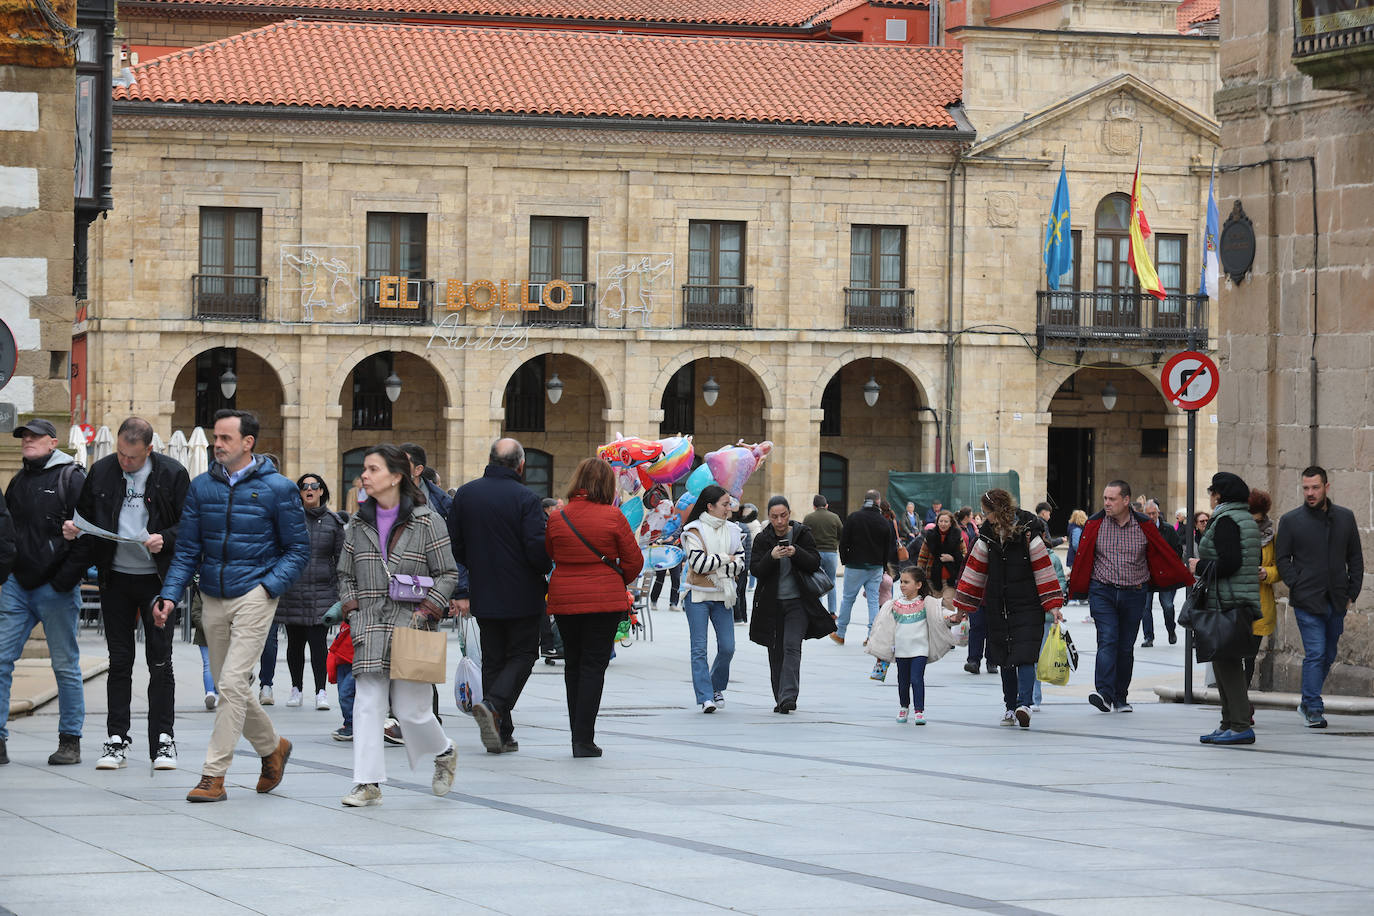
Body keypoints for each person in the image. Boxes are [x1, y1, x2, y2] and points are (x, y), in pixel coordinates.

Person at [154, 409, 309, 803]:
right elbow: (188, 548)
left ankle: (213, 775)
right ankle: (273, 747)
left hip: (253, 595)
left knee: (232, 684)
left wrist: (268, 588)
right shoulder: (202, 487)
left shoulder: (279, 488)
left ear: (247, 443)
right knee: (232, 686)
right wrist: (170, 594)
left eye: (224, 438)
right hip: (212, 594)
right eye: (214, 438)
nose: (216, 444)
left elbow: (297, 549)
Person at [335, 444, 458, 807]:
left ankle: (445, 751)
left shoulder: (427, 521)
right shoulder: (357, 523)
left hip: (411, 623)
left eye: (373, 469)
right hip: (369, 622)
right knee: (368, 703)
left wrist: (426, 611)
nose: (365, 476)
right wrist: (353, 609)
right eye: (364, 469)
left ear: (396, 476)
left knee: (411, 712)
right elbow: (344, 574)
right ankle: (367, 782)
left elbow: (448, 573)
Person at [63, 416, 189, 771]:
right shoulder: (102, 471)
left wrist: (167, 538)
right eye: (120, 454)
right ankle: (116, 737)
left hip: (157, 579)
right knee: (119, 662)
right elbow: (86, 518)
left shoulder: (173, 473)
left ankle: (163, 740)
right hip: (115, 578)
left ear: (149, 450)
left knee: (160, 661)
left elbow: (192, 525)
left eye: (132, 457)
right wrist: (75, 531)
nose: (125, 462)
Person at [448, 438, 551, 754]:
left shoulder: (465, 494)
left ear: (491, 460)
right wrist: (544, 567)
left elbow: (456, 544)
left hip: (485, 590)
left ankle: (502, 732)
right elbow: (536, 548)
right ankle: (493, 705)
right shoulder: (526, 498)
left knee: (493, 658)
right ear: (520, 465)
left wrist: (477, 569)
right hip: (522, 592)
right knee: (523, 654)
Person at [544, 458, 644, 756]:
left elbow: (551, 552)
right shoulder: (613, 517)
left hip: (564, 599)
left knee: (573, 664)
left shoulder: (558, 518)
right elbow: (634, 561)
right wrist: (614, 578)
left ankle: (577, 733)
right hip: (604, 601)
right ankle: (583, 739)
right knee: (593, 667)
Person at [1067, 479, 1191, 714]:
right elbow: (1083, 556)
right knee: (1108, 638)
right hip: (1102, 590)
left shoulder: (1144, 525)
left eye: (1112, 499)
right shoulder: (1095, 523)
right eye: (1105, 498)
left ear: (1126, 500)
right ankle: (1104, 693)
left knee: (1125, 646)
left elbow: (1160, 554)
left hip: (1134, 593)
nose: (1107, 503)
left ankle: (1120, 696)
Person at [0, 419, 83, 766]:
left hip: (56, 587)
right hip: (17, 586)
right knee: (1, 660)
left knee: (64, 665)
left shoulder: (72, 477)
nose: (27, 441)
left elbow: (88, 536)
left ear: (53, 443)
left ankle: (70, 739)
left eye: (35, 437)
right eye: (23, 437)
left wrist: (64, 580)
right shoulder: (18, 482)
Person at [951, 489, 1064, 729]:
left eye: (986, 512)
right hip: (998, 604)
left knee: (1024, 654)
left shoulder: (1027, 531)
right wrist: (962, 607)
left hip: (1027, 604)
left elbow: (1044, 569)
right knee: (1005, 657)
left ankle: (1023, 704)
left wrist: (1053, 605)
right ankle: (1010, 706)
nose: (984, 516)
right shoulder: (987, 536)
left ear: (996, 511)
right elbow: (974, 572)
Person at [1275, 465, 1363, 729]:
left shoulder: (1345, 518)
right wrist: (1296, 583)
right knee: (1315, 652)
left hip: (1337, 599)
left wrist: (1352, 592)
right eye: (1305, 488)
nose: (1310, 493)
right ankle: (1313, 706)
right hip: (1306, 600)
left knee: (1328, 654)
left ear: (1326, 487)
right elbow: (1282, 558)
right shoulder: (1291, 521)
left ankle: (1306, 702)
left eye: (1315, 487)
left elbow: (1355, 558)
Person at [1192, 472, 1263, 746]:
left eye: (1212, 493)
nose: (1210, 498)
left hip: (1228, 602)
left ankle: (1240, 725)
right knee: (1222, 662)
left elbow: (1230, 563)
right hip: (1235, 600)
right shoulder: (1243, 518)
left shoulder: (1227, 520)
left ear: (1219, 495)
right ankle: (1228, 723)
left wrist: (1197, 566)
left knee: (1228, 664)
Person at [749, 496, 835, 713]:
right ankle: (780, 697)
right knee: (775, 650)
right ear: (768, 517)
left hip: (798, 602)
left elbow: (815, 562)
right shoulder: (762, 538)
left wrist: (796, 552)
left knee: (791, 646)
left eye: (783, 516)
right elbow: (756, 570)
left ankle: (788, 697)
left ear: (789, 514)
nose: (779, 521)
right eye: (774, 517)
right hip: (771, 604)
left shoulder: (802, 533)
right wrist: (771, 556)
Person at [268, 473, 343, 710]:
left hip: (322, 591)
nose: (309, 489)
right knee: (295, 643)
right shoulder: (289, 519)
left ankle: (321, 691)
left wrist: (341, 591)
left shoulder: (334, 521)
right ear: (299, 492)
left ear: (322, 491)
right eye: (304, 486)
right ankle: (296, 688)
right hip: (293, 589)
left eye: (314, 486)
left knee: (319, 643)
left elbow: (341, 559)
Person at [679, 485, 744, 713]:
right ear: (710, 506)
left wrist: (718, 565)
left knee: (728, 647)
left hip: (723, 595)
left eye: (729, 504)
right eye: (725, 504)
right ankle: (705, 696)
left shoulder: (734, 531)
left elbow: (741, 563)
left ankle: (716, 686)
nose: (729, 508)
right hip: (697, 595)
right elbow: (698, 565)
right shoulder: (693, 531)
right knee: (699, 649)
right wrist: (726, 558)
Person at [864, 566, 956, 725]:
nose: (902, 585)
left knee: (916, 679)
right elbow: (884, 628)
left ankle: (919, 711)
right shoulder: (894, 605)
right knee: (903, 680)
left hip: (920, 649)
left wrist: (953, 618)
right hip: (901, 650)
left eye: (907, 582)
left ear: (918, 585)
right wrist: (881, 649)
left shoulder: (927, 603)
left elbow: (941, 615)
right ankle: (904, 707)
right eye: (901, 582)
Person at [834, 489, 893, 645]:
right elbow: (888, 547)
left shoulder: (854, 517)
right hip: (875, 567)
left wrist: (845, 560)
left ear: (864, 500)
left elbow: (843, 541)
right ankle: (872, 636)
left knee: (848, 599)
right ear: (878, 502)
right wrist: (883, 565)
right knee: (873, 601)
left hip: (855, 565)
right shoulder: (883, 521)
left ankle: (840, 633)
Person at [1247, 489, 1279, 690]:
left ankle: (1242, 702)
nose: (1255, 525)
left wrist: (1267, 573)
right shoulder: (1235, 532)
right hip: (1235, 604)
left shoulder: (1272, 535)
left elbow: (1280, 568)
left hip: (1259, 606)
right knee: (1235, 657)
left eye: (1258, 521)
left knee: (1249, 658)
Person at [1141, 499, 1183, 647]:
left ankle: (1171, 630)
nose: (1151, 516)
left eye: (1154, 513)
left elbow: (1178, 550)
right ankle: (1148, 637)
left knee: (1168, 606)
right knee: (1145, 607)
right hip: (1146, 575)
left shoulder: (1168, 530)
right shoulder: (1140, 529)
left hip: (1164, 575)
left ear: (1158, 513)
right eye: (1149, 514)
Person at [802, 494, 843, 621]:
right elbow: (841, 534)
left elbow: (803, 534)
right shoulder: (834, 517)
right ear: (826, 505)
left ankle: (818, 610)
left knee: (816, 582)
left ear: (814, 506)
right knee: (831, 582)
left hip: (815, 554)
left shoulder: (809, 518)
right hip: (831, 552)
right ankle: (832, 611)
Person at [916, 510, 964, 605]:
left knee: (948, 604)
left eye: (946, 522)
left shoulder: (957, 536)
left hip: (951, 578)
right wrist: (918, 575)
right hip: (932, 578)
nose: (943, 524)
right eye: (941, 521)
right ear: (937, 522)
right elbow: (922, 557)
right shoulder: (930, 537)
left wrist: (953, 558)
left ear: (951, 523)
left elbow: (965, 556)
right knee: (934, 607)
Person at [401, 442, 452, 520]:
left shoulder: (442, 503)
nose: (396, 468)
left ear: (418, 470)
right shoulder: (383, 496)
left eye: (402, 464)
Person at [326, 620, 355, 741]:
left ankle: (351, 725)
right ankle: (349, 724)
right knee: (343, 694)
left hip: (356, 659)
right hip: (343, 659)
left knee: (345, 693)